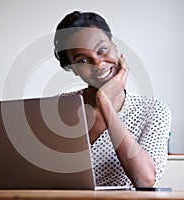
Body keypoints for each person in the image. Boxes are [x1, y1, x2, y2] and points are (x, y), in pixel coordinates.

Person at [53, 11, 172, 189]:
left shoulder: (153, 110)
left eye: (103, 50)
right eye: (83, 60)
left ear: (115, 47)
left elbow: (145, 181)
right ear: (74, 69)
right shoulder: (57, 108)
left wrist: (104, 102)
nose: (98, 64)